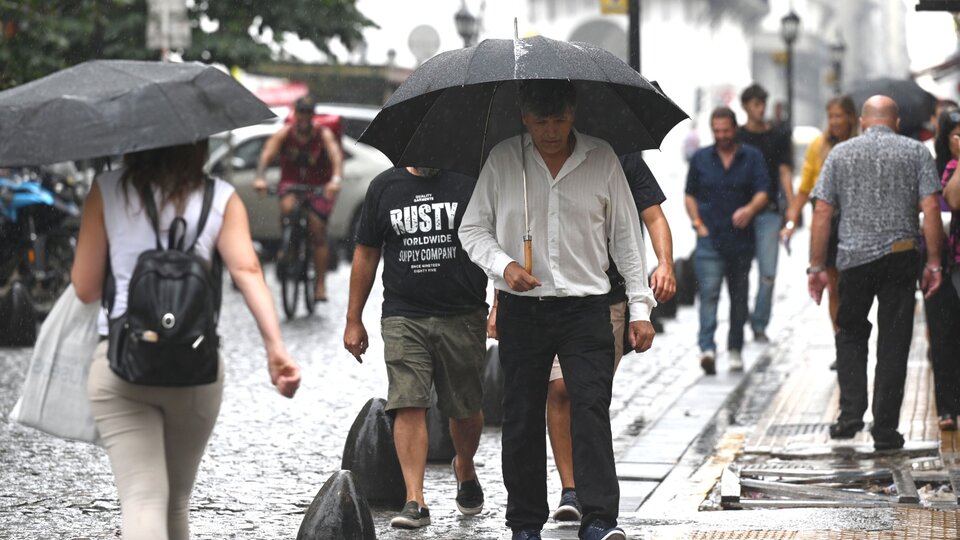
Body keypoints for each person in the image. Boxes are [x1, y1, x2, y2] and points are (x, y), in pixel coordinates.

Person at [71, 141, 301, 540]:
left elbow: (86, 288)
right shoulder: (219, 197)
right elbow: (247, 270)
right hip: (196, 365)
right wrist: (275, 348)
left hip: (122, 365)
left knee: (143, 498)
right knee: (176, 501)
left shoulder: (106, 189)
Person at [459, 80, 656, 540]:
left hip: (586, 308)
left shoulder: (602, 157)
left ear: (574, 116)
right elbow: (472, 230)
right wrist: (504, 266)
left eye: (560, 121)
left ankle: (599, 516)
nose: (551, 131)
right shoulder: (505, 160)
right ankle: (525, 522)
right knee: (522, 414)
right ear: (525, 118)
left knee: (591, 406)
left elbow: (625, 238)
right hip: (523, 310)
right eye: (542, 122)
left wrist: (640, 307)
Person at [343, 166, 489, 529]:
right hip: (403, 314)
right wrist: (353, 318)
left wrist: (500, 304)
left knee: (465, 407)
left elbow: (496, 244)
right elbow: (366, 253)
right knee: (407, 400)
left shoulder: (470, 183)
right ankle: (415, 499)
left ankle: (465, 467)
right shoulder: (383, 187)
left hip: (463, 313)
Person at [537, 153, 675, 522]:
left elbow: (654, 216)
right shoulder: (542, 156)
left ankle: (590, 484)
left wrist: (664, 263)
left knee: (590, 394)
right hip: (553, 298)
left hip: (608, 300)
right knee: (560, 387)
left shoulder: (624, 160)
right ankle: (571, 489)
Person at [809, 95, 942, 451]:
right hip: (901, 257)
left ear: (864, 122)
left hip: (853, 260)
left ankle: (850, 415)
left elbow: (822, 211)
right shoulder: (917, 152)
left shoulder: (840, 154)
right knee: (894, 342)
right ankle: (885, 429)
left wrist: (817, 266)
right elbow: (930, 207)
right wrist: (933, 263)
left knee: (850, 333)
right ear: (896, 122)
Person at [685, 106, 769, 374]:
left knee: (739, 297)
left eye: (726, 130)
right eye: (716, 130)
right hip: (709, 238)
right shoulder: (700, 158)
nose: (721, 135)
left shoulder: (752, 157)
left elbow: (763, 191)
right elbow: (689, 195)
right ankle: (707, 348)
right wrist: (698, 224)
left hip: (741, 241)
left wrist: (750, 209)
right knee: (708, 294)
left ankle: (734, 348)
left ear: (735, 128)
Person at [780, 95, 858, 356]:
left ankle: (853, 336)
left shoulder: (860, 143)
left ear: (850, 116)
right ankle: (842, 345)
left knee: (854, 286)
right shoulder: (819, 146)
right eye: (831, 116)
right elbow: (804, 190)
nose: (835, 121)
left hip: (856, 223)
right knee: (834, 286)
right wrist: (791, 222)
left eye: (840, 116)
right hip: (828, 224)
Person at [253, 96, 344, 302]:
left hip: (319, 187)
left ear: (313, 115)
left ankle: (320, 284)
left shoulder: (323, 134)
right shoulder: (285, 133)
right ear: (295, 114)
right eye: (300, 112)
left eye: (308, 113)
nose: (304, 117)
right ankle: (288, 245)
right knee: (287, 208)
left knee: (317, 230)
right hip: (291, 184)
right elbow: (267, 154)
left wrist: (335, 181)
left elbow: (335, 156)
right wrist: (260, 177)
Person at [738, 83, 794, 343]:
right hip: (740, 211)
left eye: (763, 104)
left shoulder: (778, 134)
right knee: (740, 271)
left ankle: (759, 323)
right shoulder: (737, 136)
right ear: (746, 106)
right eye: (755, 104)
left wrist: (792, 206)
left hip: (769, 210)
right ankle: (742, 315)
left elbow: (784, 171)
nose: (760, 109)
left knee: (768, 273)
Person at [930, 108, 960, 431]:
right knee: (943, 336)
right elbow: (952, 199)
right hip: (941, 260)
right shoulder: (940, 166)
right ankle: (947, 407)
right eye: (956, 133)